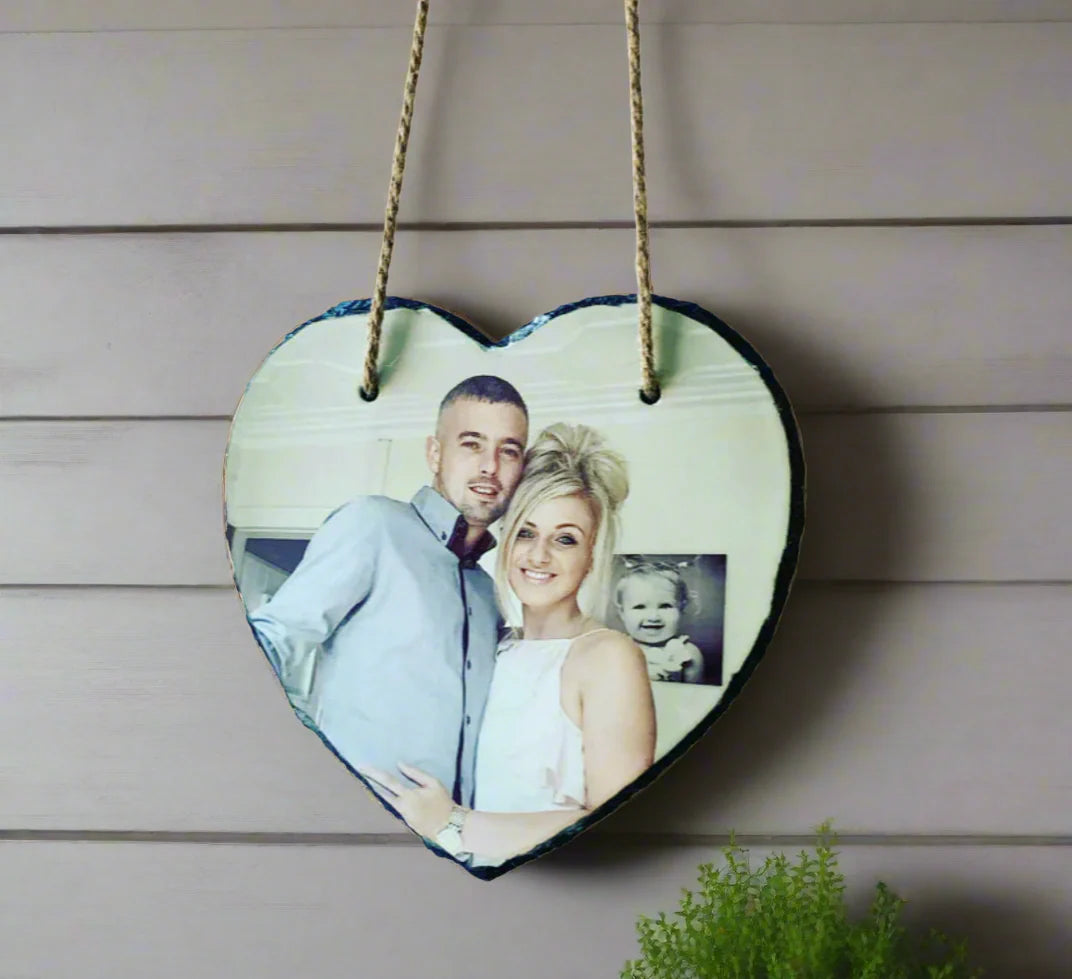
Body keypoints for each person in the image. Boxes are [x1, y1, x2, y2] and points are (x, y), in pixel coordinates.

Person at [359, 423, 656, 866]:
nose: (539, 555)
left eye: (565, 539)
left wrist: (454, 823)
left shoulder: (607, 656)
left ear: (591, 553)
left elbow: (619, 824)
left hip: (560, 885)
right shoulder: (496, 646)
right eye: (526, 532)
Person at [246, 374, 529, 808]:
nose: (490, 465)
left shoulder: (490, 592)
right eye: (472, 444)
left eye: (508, 450)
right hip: (350, 820)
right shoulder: (372, 525)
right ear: (435, 453)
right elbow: (271, 640)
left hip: (457, 839)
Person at [615, 561, 704, 683]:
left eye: (665, 606)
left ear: (681, 608)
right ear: (622, 612)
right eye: (640, 607)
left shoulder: (687, 653)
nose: (653, 617)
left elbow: (695, 697)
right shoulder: (617, 650)